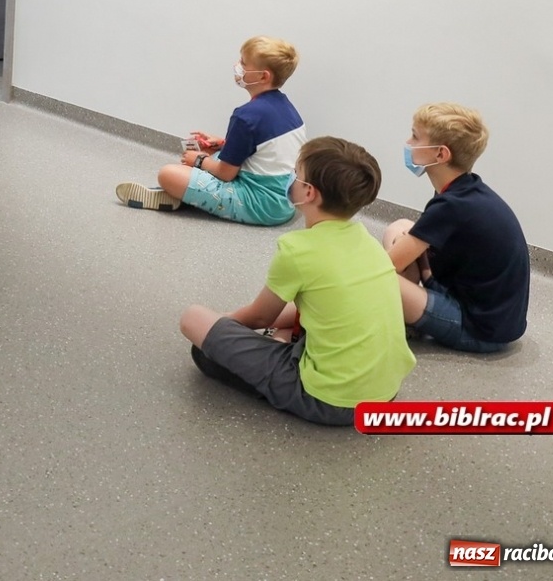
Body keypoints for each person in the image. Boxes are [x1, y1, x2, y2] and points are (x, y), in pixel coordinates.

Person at [178, 136, 415, 426]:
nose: (291, 178)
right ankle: (281, 348)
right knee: (277, 328)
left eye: (296, 174)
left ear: (309, 192)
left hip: (330, 402)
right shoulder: (366, 240)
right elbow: (314, 310)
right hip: (384, 394)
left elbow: (259, 316)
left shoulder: (296, 249)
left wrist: (220, 325)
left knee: (195, 325)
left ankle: (281, 369)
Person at [381, 103, 530, 353]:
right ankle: (406, 314)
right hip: (495, 319)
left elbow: (384, 269)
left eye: (415, 136)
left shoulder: (450, 206)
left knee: (380, 280)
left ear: (440, 154)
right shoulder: (466, 191)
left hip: (479, 330)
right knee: (399, 227)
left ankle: (403, 316)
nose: (408, 142)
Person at [115, 36, 305, 226]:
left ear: (263, 76)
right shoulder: (287, 108)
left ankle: (178, 193)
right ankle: (182, 194)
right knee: (215, 154)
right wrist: (224, 144)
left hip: (261, 205)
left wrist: (197, 160)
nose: (237, 66)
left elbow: (225, 174)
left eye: (244, 63)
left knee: (169, 174)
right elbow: (266, 149)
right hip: (285, 200)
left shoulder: (246, 116)